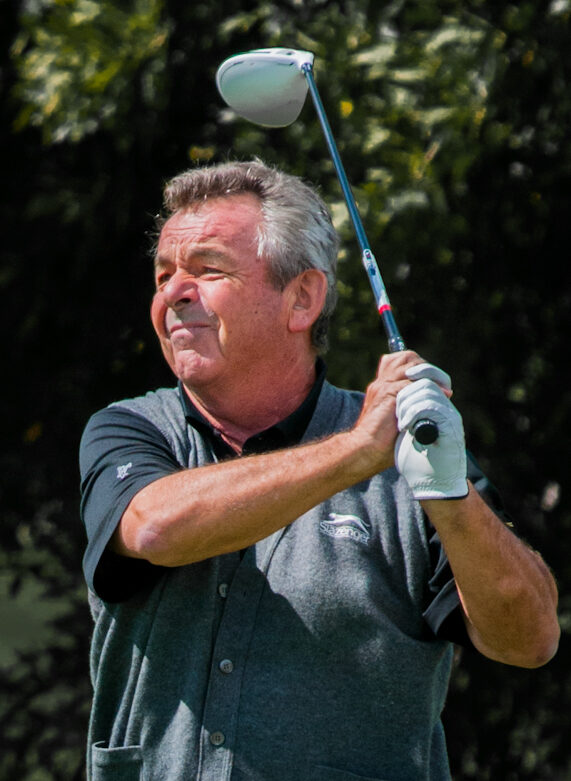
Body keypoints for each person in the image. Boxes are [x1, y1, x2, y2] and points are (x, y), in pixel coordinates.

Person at [80, 159, 559, 781]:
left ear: (302, 297)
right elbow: (154, 529)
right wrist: (358, 451)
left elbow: (528, 640)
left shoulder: (410, 444)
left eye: (207, 269)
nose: (173, 293)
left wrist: (448, 492)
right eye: (163, 275)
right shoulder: (129, 428)